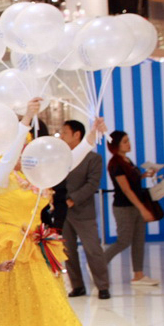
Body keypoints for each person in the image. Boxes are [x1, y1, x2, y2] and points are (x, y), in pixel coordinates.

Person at [0, 101, 96, 326]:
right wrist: (26, 120)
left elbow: (62, 164)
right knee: (12, 303)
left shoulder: (26, 176)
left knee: (29, 302)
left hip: (33, 244)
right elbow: (8, 160)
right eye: (21, 146)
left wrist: (90, 140)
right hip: (9, 244)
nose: (25, 152)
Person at [58, 120, 110, 299]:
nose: (61, 136)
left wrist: (73, 199)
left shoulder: (93, 159)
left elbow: (92, 183)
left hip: (83, 211)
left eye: (64, 133)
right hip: (63, 213)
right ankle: (77, 285)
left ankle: (103, 286)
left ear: (77, 134)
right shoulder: (59, 157)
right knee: (67, 251)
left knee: (93, 249)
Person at [102, 129, 159, 287]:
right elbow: (126, 189)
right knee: (124, 240)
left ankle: (139, 275)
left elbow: (131, 182)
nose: (129, 144)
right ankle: (99, 265)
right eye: (125, 141)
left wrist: (143, 176)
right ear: (116, 145)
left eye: (128, 140)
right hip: (124, 207)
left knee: (139, 240)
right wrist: (142, 209)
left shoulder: (127, 161)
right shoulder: (115, 164)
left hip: (135, 205)